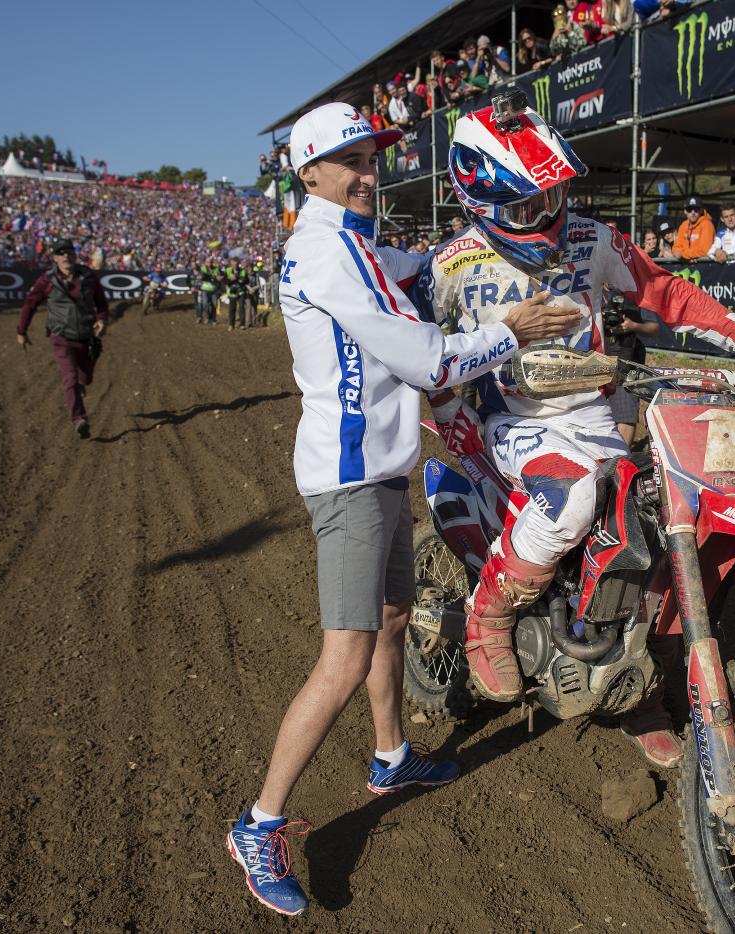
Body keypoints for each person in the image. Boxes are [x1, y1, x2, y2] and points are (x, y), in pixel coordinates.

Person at [225, 102, 579, 918]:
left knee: (390, 619)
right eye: (348, 159)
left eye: (373, 155)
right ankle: (258, 821)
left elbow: (412, 268)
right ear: (308, 171)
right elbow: (427, 362)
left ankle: (390, 755)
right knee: (343, 658)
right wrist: (511, 327)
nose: (367, 171)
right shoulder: (325, 251)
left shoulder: (348, 244)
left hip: (376, 470)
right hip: (349, 481)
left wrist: (473, 237)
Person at [424, 92, 735, 771]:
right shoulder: (450, 264)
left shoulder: (592, 240)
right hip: (515, 424)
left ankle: (636, 687)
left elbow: (672, 295)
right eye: (523, 207)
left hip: (599, 416)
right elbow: (417, 352)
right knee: (570, 499)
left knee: (661, 527)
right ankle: (490, 614)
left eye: (552, 197)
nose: (544, 216)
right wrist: (452, 423)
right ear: (478, 203)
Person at [16, 238, 109, 438]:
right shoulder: (47, 281)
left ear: (75, 255)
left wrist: (101, 320)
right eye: (61, 253)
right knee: (70, 377)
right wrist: (21, 331)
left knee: (85, 378)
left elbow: (101, 303)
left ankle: (80, 387)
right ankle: (79, 419)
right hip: (61, 337)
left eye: (69, 252)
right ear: (55, 258)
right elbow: (30, 304)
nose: (66, 256)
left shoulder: (89, 277)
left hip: (86, 336)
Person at [601, 291, 659, 442]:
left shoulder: (637, 293)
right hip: (596, 361)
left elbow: (654, 328)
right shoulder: (591, 289)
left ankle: (620, 460)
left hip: (626, 363)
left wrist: (633, 325)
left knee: (625, 416)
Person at [673, 196, 715, 262]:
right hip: (686, 265)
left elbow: (704, 250)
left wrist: (683, 254)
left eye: (696, 209)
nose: (693, 212)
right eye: (689, 209)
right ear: (685, 211)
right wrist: (688, 255)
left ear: (701, 210)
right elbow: (676, 247)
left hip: (703, 265)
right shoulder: (683, 225)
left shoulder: (707, 224)